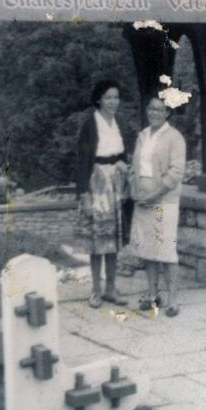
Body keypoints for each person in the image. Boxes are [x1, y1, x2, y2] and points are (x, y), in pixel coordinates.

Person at [129, 96, 187, 317]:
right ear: (147, 110)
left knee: (166, 251)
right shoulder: (142, 136)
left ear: (168, 113)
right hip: (143, 201)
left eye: (159, 110)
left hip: (163, 202)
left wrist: (153, 195)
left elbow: (175, 174)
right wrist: (134, 191)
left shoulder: (174, 138)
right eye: (151, 108)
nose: (154, 113)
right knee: (148, 250)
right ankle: (153, 295)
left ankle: (173, 299)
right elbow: (135, 168)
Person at [75, 79, 130, 308]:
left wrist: (122, 165)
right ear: (98, 99)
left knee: (113, 240)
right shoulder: (91, 124)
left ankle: (111, 288)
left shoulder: (119, 123)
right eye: (108, 97)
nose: (113, 102)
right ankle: (96, 290)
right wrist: (84, 194)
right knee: (97, 240)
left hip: (116, 185)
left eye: (116, 97)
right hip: (96, 184)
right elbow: (82, 160)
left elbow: (122, 154)